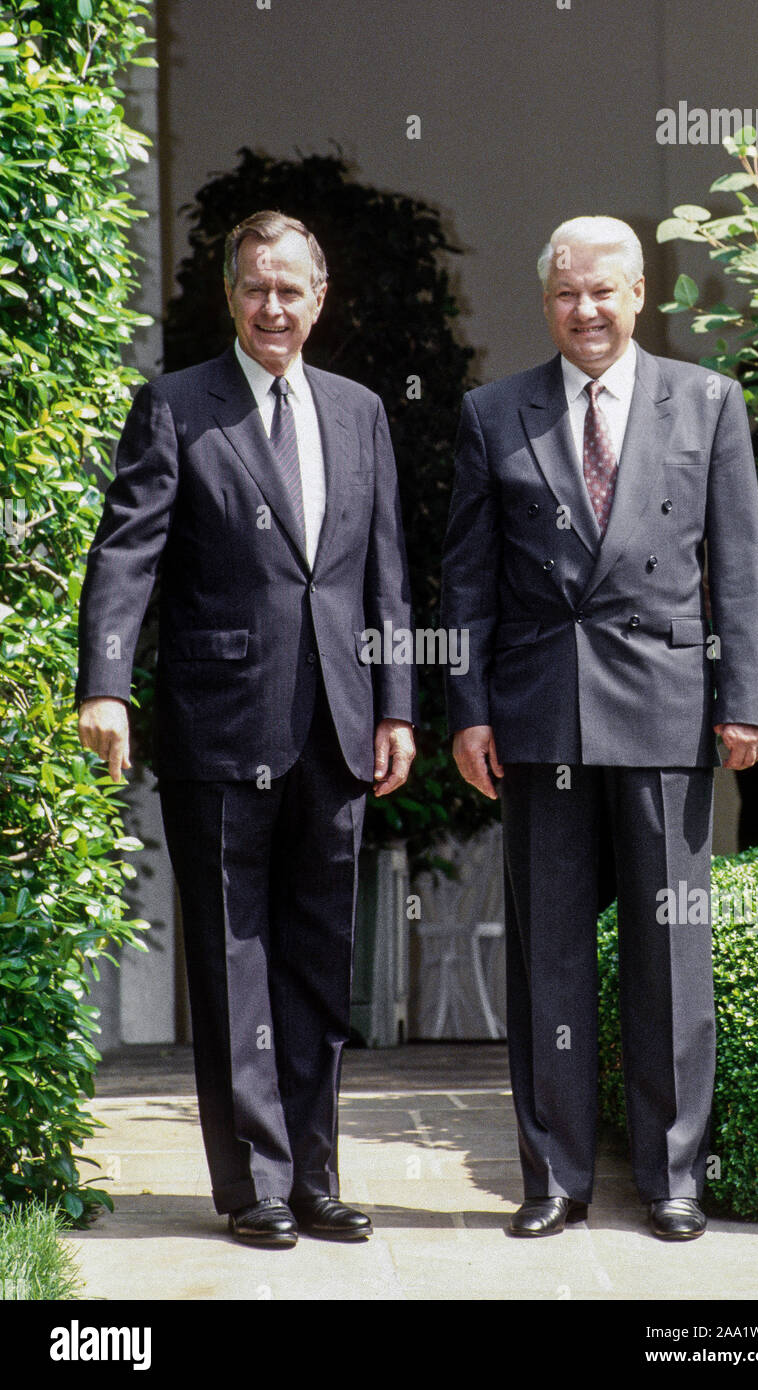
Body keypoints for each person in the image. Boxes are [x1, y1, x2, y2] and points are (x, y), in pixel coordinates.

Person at [77, 210, 417, 1248]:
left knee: (319, 960)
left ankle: (314, 1176)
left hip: (337, 728)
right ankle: (253, 1185)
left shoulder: (359, 412)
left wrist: (397, 703)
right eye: (255, 289)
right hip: (219, 728)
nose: (274, 307)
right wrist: (106, 683)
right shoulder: (177, 405)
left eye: (292, 290)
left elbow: (385, 575)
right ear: (231, 297)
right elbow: (126, 553)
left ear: (320, 299)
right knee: (234, 962)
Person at [441, 216, 758, 1241]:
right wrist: (468, 709)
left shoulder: (706, 402)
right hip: (538, 717)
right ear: (545, 303)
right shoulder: (493, 412)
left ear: (639, 295)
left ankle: (674, 1177)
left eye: (602, 291)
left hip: (665, 709)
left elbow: (738, 561)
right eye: (564, 294)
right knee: (546, 955)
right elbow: (463, 580)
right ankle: (554, 1179)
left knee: (668, 953)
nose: (583, 310)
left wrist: (745, 697)